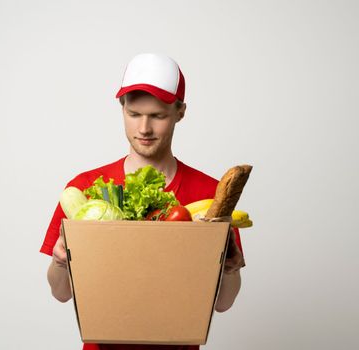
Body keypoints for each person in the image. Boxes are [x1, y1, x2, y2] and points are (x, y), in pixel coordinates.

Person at [40, 53, 246, 350]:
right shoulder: (84, 189)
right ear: (121, 109)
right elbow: (61, 294)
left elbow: (223, 304)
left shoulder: (211, 195)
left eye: (158, 116)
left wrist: (231, 268)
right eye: (134, 114)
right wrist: (61, 261)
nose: (144, 129)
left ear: (180, 112)